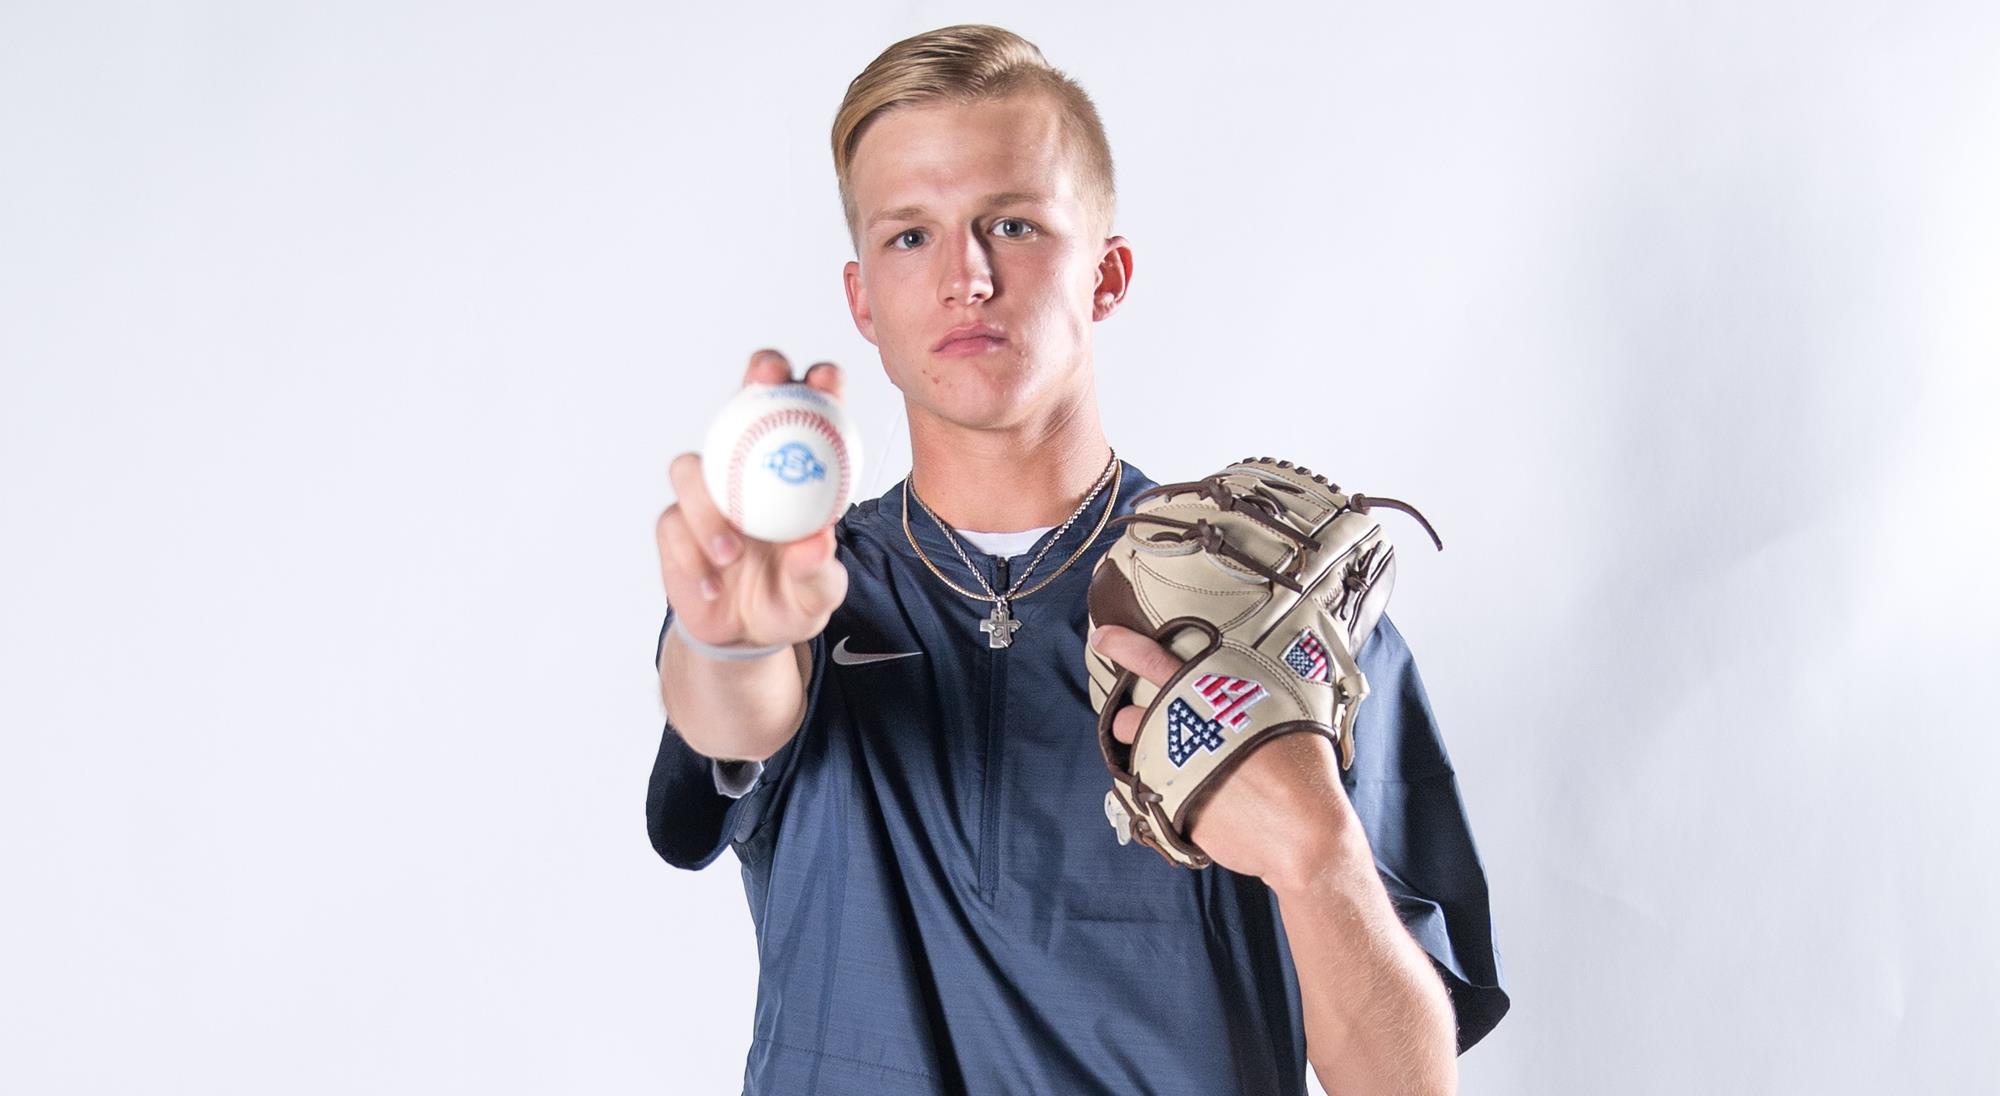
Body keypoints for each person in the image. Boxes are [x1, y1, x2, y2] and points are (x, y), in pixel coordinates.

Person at [648, 24, 1508, 1095]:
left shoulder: (1278, 607)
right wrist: (725, 642)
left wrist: (1316, 855)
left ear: (1105, 275)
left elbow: (1405, 1081)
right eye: (909, 236)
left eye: (1011, 223)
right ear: (861, 298)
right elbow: (731, 708)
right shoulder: (803, 588)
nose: (965, 275)